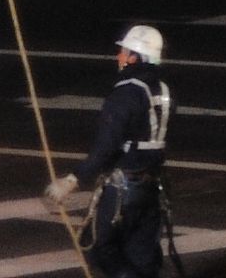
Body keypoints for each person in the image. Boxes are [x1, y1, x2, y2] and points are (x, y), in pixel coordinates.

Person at [58, 22, 172, 277]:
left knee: (102, 250)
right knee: (143, 256)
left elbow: (106, 146)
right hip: (152, 188)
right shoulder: (163, 91)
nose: (118, 56)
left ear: (135, 57)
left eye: (124, 51)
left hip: (124, 189)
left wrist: (73, 179)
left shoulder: (125, 94)